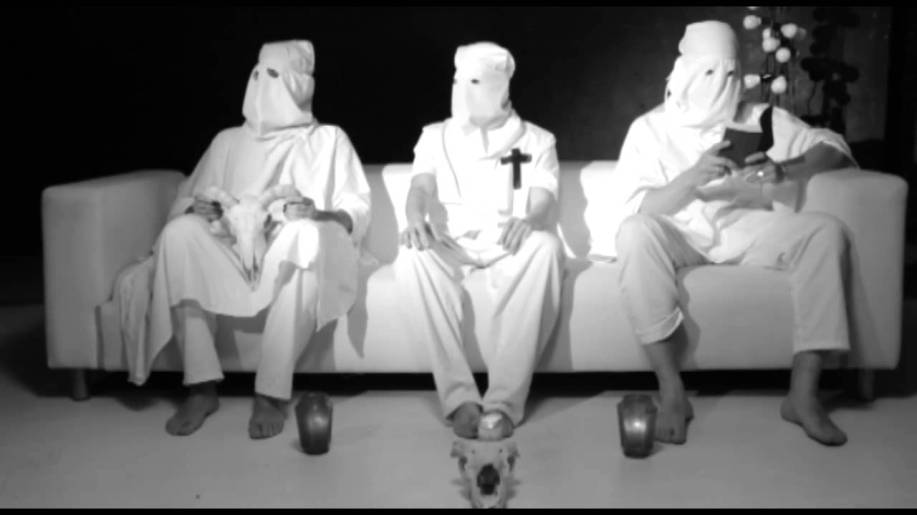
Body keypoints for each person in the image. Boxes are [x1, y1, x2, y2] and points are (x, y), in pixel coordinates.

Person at [609, 21, 856, 446]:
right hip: (680, 232)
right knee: (634, 233)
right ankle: (671, 391)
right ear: (685, 71)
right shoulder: (650, 129)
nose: (720, 83)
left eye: (729, 73)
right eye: (708, 72)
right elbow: (637, 209)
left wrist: (784, 169)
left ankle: (803, 394)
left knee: (826, 232)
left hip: (747, 228)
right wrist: (692, 177)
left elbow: (834, 146)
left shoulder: (760, 117)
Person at [119, 40, 371, 439]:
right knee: (179, 234)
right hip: (232, 249)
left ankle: (271, 392)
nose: (260, 83)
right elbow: (187, 198)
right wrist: (198, 208)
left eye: (273, 75)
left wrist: (318, 214)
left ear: (297, 85)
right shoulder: (227, 142)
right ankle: (201, 386)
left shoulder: (329, 140)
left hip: (286, 252)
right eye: (258, 73)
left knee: (305, 237)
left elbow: (356, 207)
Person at [394, 42, 565, 440]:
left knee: (546, 249)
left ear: (499, 86)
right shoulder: (434, 136)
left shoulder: (538, 140)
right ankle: (460, 400)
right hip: (452, 242)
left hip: (508, 241)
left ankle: (504, 403)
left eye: (474, 82)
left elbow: (543, 195)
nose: (462, 90)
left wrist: (530, 219)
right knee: (412, 256)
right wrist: (415, 218)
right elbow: (420, 186)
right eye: (458, 81)